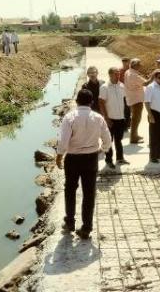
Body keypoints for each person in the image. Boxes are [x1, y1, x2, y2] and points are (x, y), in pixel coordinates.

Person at [56, 89, 112, 239]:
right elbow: (107, 139)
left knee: (70, 189)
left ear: (77, 101)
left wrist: (59, 156)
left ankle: (70, 222)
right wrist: (102, 149)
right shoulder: (98, 118)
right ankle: (86, 228)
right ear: (91, 102)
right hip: (91, 158)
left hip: (73, 159)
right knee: (89, 193)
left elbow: (63, 141)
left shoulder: (69, 117)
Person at [99, 67, 130, 169]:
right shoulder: (104, 87)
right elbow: (101, 103)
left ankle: (120, 158)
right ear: (110, 74)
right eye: (116, 73)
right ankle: (109, 160)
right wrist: (106, 118)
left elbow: (124, 101)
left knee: (119, 140)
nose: (118, 75)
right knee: (109, 141)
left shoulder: (121, 86)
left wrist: (126, 116)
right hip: (110, 119)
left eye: (119, 73)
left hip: (120, 118)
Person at [124, 58, 147, 144]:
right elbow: (146, 83)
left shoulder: (128, 72)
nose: (140, 66)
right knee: (136, 119)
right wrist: (153, 76)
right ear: (135, 66)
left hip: (132, 98)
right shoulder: (133, 75)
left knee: (135, 118)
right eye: (139, 65)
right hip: (136, 99)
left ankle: (135, 135)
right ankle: (133, 138)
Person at [118, 57, 131, 130]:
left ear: (129, 62)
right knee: (124, 108)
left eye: (126, 61)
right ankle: (125, 125)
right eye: (123, 62)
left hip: (130, 92)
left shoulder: (131, 71)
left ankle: (128, 123)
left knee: (128, 109)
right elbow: (118, 81)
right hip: (122, 92)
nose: (125, 63)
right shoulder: (120, 71)